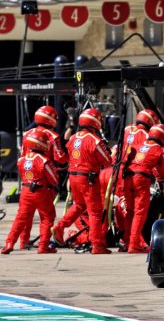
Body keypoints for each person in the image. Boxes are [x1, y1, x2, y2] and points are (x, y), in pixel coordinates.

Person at [51, 108, 112, 254]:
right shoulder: (95, 140)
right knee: (95, 212)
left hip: (73, 177)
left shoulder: (73, 137)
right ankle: (97, 245)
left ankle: (59, 227)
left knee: (78, 206)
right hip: (88, 179)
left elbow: (68, 153)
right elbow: (107, 160)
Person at [1, 130, 59, 254]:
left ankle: (9, 243)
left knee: (21, 218)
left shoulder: (21, 159)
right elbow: (54, 179)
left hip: (25, 190)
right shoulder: (43, 160)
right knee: (47, 217)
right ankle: (43, 246)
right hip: (40, 191)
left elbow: (23, 175)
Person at [19, 105, 68, 249]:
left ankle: (23, 241)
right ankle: (44, 244)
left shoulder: (26, 134)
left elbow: (22, 156)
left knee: (25, 213)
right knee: (46, 214)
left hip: (28, 178)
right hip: (45, 179)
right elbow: (60, 158)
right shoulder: (53, 136)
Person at [123, 124, 164, 253]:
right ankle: (134, 244)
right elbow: (163, 173)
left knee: (130, 211)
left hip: (127, 177)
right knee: (140, 212)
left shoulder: (140, 144)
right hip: (141, 178)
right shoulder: (160, 149)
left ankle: (126, 241)